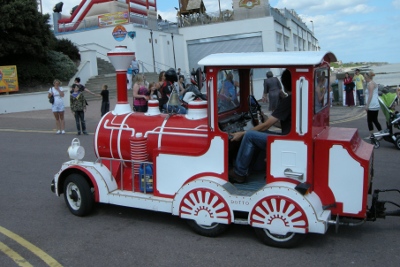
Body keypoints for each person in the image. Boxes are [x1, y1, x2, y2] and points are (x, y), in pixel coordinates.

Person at [229, 69, 292, 183]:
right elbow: (283, 123)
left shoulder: (288, 101)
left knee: (250, 136)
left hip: (287, 141)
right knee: (257, 134)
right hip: (290, 139)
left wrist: (242, 133)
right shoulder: (295, 99)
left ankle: (239, 173)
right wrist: (268, 120)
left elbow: (265, 126)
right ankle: (254, 168)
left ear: (284, 83)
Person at [364, 71, 382, 137]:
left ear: (368, 77)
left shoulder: (370, 84)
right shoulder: (372, 83)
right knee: (374, 120)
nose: (364, 78)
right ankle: (381, 132)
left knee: (370, 120)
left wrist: (367, 105)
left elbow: (370, 95)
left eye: (365, 77)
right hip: (375, 104)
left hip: (372, 104)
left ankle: (371, 135)